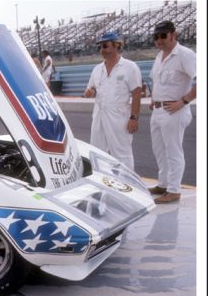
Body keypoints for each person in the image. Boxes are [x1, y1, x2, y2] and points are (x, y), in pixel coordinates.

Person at [147, 21, 196, 204]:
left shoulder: (185, 55)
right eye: (156, 37)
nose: (159, 40)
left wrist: (183, 102)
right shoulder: (159, 57)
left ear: (173, 35)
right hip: (158, 110)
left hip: (174, 111)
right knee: (159, 150)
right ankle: (164, 184)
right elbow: (156, 81)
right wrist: (153, 99)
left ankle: (174, 190)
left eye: (163, 36)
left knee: (173, 151)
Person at [83, 32, 141, 170]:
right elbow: (91, 89)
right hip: (99, 115)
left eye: (105, 46)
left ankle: (128, 187)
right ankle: (103, 184)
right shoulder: (97, 69)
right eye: (100, 47)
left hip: (119, 116)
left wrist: (134, 118)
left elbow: (137, 93)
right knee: (97, 152)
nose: (102, 50)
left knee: (121, 153)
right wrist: (89, 93)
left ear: (116, 46)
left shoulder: (130, 67)